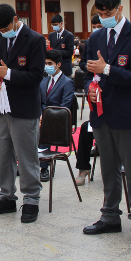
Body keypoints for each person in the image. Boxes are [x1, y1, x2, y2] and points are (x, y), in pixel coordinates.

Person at [82, 0, 131, 249]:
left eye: (108, 13)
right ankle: (110, 216)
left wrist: (108, 70)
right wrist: (91, 83)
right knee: (108, 170)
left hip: (129, 114)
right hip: (102, 113)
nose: (104, 18)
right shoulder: (97, 36)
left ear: (120, 9)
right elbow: (89, 70)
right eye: (100, 14)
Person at [0, 3, 46, 223]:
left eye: (6, 27)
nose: (3, 32)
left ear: (16, 18)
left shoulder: (35, 40)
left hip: (23, 106)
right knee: (3, 153)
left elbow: (37, 75)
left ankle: (31, 198)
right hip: (1, 105)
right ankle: (6, 195)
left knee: (26, 155)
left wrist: (9, 74)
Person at [39, 49, 75, 182]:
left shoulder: (67, 82)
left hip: (58, 119)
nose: (47, 66)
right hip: (43, 117)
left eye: (50, 63)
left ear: (58, 64)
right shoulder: (43, 81)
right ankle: (28, 163)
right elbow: (39, 102)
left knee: (44, 129)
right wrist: (39, 116)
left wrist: (46, 117)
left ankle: (44, 168)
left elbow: (64, 106)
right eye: (45, 63)